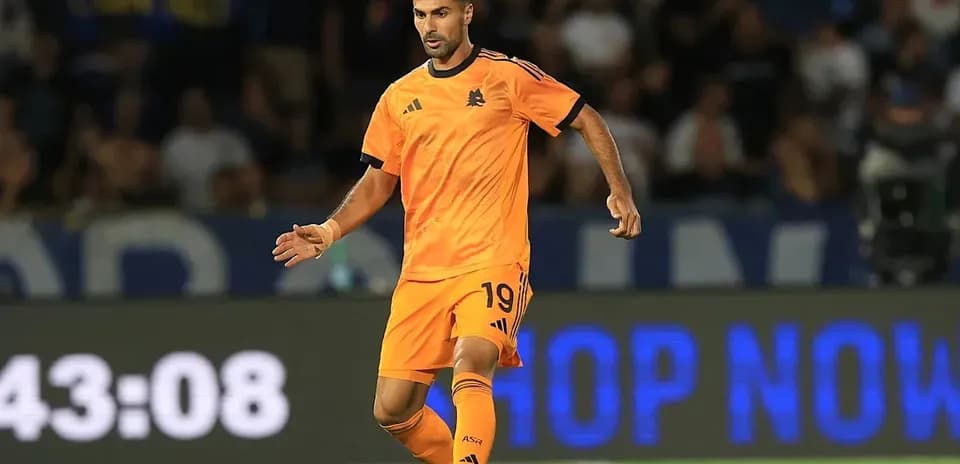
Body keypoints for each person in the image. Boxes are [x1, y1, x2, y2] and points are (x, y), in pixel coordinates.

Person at [271, 0, 641, 462]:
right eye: (420, 14)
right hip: (423, 271)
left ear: (468, 13)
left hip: (492, 258)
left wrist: (619, 190)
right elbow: (376, 183)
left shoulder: (508, 76)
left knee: (471, 365)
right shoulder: (399, 96)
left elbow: (586, 117)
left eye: (441, 13)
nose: (429, 25)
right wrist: (328, 231)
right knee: (392, 409)